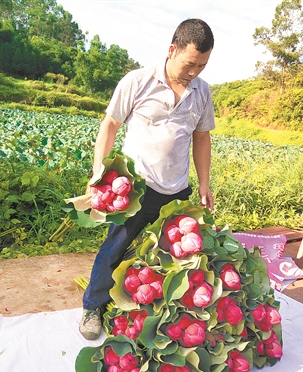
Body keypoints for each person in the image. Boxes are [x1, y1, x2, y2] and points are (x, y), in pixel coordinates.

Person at [79, 18, 216, 340]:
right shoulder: (137, 81)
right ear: (172, 50)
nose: (194, 72)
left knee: (176, 255)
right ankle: (92, 306)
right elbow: (110, 125)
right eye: (190, 63)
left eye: (203, 65)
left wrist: (205, 183)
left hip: (177, 188)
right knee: (116, 246)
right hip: (138, 186)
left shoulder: (202, 91)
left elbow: (202, 139)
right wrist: (100, 173)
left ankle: (163, 311)